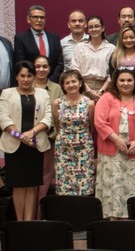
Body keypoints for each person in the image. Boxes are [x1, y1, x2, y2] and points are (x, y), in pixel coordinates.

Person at [94, 68, 135, 219]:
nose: (126, 83)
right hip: (111, 152)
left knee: (133, 188)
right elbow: (99, 122)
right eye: (122, 80)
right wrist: (116, 139)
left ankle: (133, 221)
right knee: (113, 188)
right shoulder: (106, 98)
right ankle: (112, 221)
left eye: (129, 80)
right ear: (115, 82)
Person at [0, 61, 53, 220]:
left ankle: (29, 223)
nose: (25, 79)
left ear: (34, 76)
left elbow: (48, 117)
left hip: (35, 145)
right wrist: (21, 137)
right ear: (16, 76)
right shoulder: (7, 93)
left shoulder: (42, 93)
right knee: (18, 186)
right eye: (22, 75)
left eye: (29, 75)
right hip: (15, 146)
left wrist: (31, 133)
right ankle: (19, 222)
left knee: (32, 186)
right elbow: (4, 119)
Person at [53, 69, 95, 195]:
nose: (71, 85)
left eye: (74, 81)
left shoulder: (90, 103)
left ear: (80, 83)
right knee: (64, 184)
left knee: (84, 184)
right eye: (67, 83)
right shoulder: (57, 103)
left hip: (84, 148)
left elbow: (91, 127)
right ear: (63, 86)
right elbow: (57, 125)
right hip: (64, 147)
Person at [32, 56, 63, 205]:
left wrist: (53, 136)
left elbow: (61, 115)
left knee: (46, 176)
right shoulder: (25, 85)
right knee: (29, 179)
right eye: (38, 66)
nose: (41, 70)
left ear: (50, 69)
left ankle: (39, 212)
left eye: (44, 66)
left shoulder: (57, 88)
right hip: (27, 140)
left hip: (50, 138)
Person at [14, 5, 64, 82]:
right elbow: (21, 63)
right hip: (30, 83)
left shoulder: (54, 38)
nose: (39, 20)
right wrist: (33, 80)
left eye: (42, 17)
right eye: (35, 17)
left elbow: (60, 63)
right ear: (28, 19)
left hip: (52, 83)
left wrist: (51, 80)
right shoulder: (20, 38)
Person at [71, 15, 115, 102]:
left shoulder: (111, 48)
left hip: (105, 89)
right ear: (87, 30)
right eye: (91, 27)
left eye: (97, 26)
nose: (94, 29)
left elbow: (113, 73)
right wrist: (88, 90)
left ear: (103, 28)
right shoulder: (80, 47)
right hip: (83, 88)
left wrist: (101, 91)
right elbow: (75, 70)